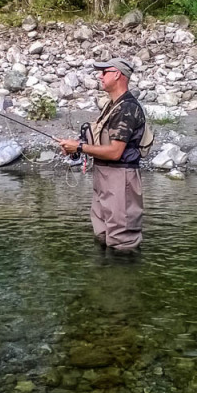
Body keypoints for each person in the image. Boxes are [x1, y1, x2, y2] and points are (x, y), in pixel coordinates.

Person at [55, 58, 146, 252]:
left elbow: (115, 152)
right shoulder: (111, 105)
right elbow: (99, 140)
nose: (99, 76)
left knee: (123, 242)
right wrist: (74, 146)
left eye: (104, 72)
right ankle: (103, 278)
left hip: (121, 178)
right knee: (102, 234)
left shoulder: (128, 108)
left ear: (117, 74)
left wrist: (79, 148)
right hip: (103, 176)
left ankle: (126, 279)